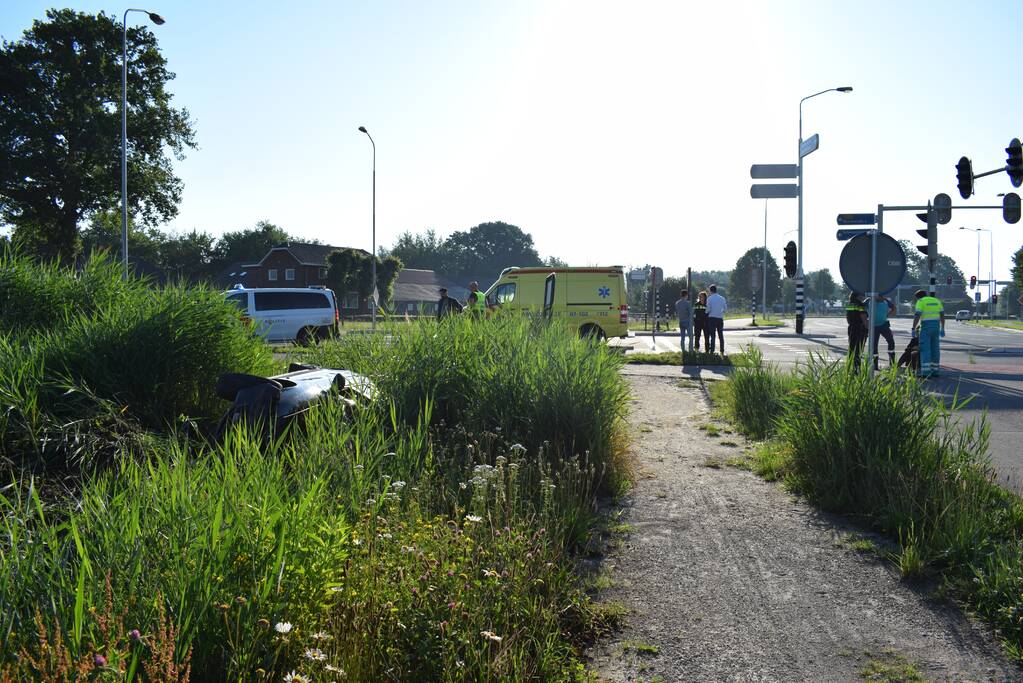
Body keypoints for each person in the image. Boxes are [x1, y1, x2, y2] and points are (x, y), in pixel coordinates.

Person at [912, 289, 945, 377]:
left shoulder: (921, 301)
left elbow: (917, 315)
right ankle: (935, 371)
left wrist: (913, 328)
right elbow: (942, 314)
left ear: (918, 297)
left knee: (925, 349)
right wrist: (943, 328)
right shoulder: (936, 301)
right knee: (935, 349)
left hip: (926, 327)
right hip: (936, 327)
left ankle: (926, 372)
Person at [871, 293, 897, 369]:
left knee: (891, 341)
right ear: (876, 295)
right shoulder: (869, 301)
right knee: (874, 345)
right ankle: (875, 365)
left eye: (884, 296)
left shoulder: (886, 301)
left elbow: (894, 308)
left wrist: (888, 315)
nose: (883, 297)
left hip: (884, 325)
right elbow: (862, 309)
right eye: (881, 296)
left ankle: (892, 363)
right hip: (874, 326)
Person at [845, 291, 868, 368]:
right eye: (862, 294)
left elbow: (848, 318)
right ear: (858, 296)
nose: (863, 296)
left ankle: (849, 367)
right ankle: (856, 368)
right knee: (858, 350)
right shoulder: (861, 305)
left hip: (851, 327)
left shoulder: (849, 304)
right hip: (860, 329)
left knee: (851, 349)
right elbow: (864, 318)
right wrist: (868, 328)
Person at [705, 285, 727, 354]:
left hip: (712, 318)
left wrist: (706, 312)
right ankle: (722, 350)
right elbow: (725, 309)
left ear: (710, 290)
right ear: (716, 290)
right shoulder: (722, 298)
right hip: (720, 318)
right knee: (720, 335)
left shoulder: (709, 299)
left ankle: (712, 350)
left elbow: (708, 309)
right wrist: (720, 311)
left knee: (713, 335)